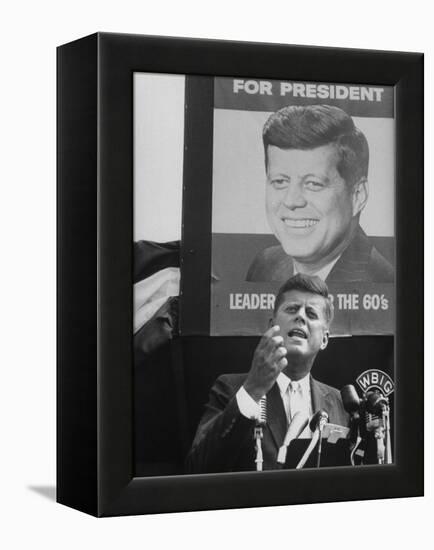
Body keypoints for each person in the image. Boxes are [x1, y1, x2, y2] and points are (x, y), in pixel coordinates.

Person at [186, 273, 349, 473]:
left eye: (311, 314)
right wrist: (253, 389)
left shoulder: (339, 403)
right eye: (292, 309)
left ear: (324, 339)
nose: (301, 316)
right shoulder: (231, 389)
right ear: (272, 326)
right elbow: (197, 467)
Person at [246, 105, 394, 283]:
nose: (291, 200)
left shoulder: (383, 283)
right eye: (280, 181)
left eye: (313, 184)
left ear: (358, 196)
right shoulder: (265, 264)